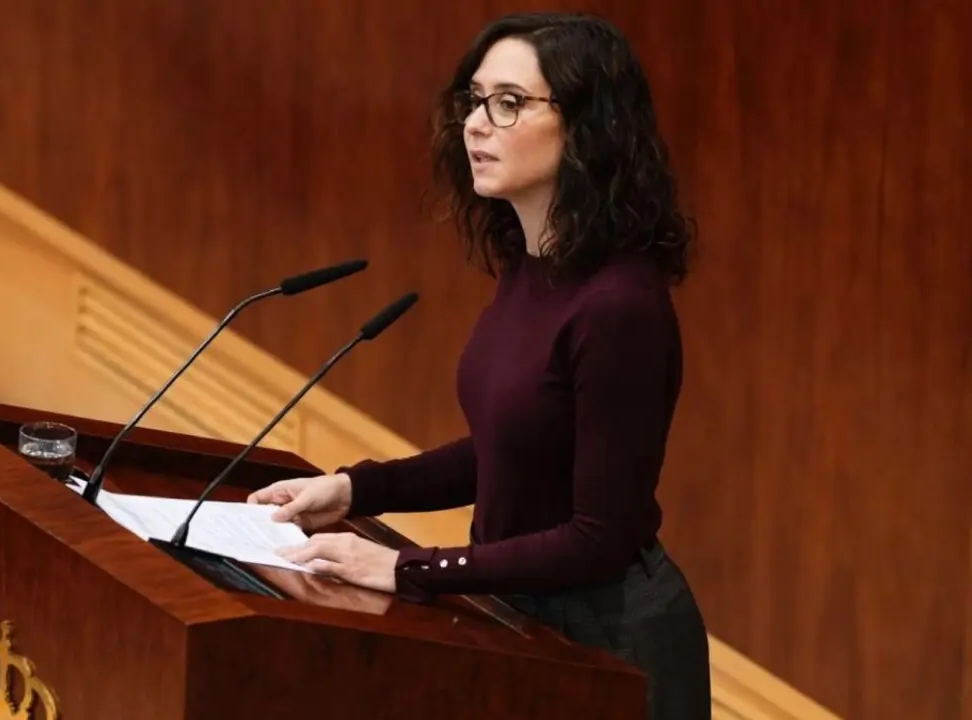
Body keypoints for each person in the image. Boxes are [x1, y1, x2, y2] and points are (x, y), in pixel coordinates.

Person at [247, 11, 711, 719]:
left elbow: (600, 538)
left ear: (588, 129)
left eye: (510, 103)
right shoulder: (531, 270)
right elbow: (514, 449)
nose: (475, 124)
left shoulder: (621, 306)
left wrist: (410, 569)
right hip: (515, 613)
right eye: (475, 99)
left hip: (608, 645)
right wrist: (353, 491)